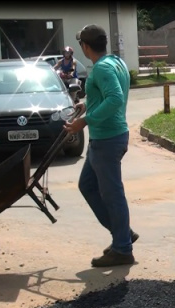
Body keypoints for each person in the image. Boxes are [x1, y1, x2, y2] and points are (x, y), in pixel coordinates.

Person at [63, 24, 138, 268]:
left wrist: (85, 121)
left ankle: (122, 248)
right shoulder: (115, 62)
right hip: (108, 137)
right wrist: (88, 104)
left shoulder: (103, 68)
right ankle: (122, 233)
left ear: (85, 46)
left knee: (112, 193)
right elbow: (107, 97)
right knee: (87, 185)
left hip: (107, 139)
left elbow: (115, 99)